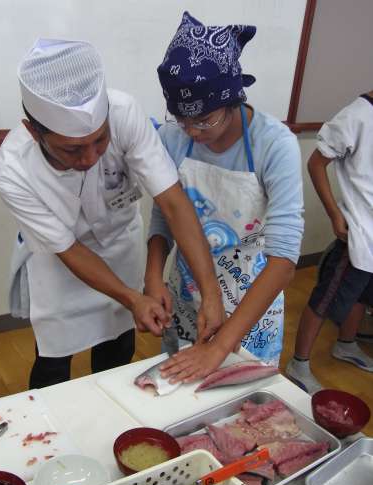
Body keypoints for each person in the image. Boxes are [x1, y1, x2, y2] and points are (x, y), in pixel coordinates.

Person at [0, 38, 224, 389]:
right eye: (72, 150)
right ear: (33, 131)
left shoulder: (123, 113)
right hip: (60, 265)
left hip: (121, 248)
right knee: (54, 362)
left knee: (117, 349)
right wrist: (133, 298)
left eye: (101, 140)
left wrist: (210, 293)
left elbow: (173, 203)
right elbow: (69, 249)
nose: (90, 158)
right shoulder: (13, 169)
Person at [144, 12, 304, 384]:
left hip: (251, 299)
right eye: (182, 120)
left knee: (241, 402)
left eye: (204, 120)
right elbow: (164, 216)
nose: (192, 131)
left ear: (232, 98)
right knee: (180, 391)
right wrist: (153, 276)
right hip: (186, 292)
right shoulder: (172, 139)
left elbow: (283, 259)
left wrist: (219, 347)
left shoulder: (274, 145)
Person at [286, 90, 373, 394]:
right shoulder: (357, 115)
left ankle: (346, 344)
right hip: (359, 233)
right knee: (325, 299)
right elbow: (316, 164)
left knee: (362, 293)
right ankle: (298, 363)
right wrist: (335, 215)